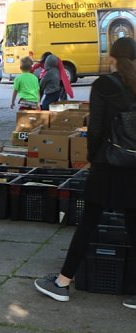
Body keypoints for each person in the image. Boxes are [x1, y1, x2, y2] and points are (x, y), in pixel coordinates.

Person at [35, 36, 136, 309]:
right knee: (133, 224)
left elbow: (96, 129)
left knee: (88, 221)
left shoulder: (105, 84)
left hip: (107, 163)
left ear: (112, 57)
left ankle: (62, 282)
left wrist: (92, 157)